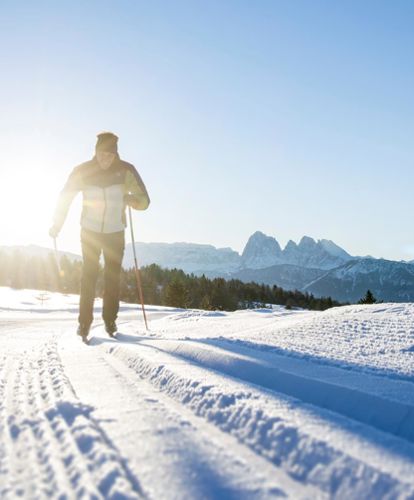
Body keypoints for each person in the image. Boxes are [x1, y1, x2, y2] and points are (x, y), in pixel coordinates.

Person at [49, 132, 150, 339]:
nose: (106, 159)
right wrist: (57, 224)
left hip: (115, 232)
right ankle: (84, 323)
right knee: (89, 276)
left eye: (110, 155)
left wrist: (131, 200)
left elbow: (145, 200)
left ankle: (110, 321)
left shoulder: (125, 170)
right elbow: (65, 197)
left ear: (116, 154)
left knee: (112, 278)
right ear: (96, 152)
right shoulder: (83, 171)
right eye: (102, 154)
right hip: (90, 231)